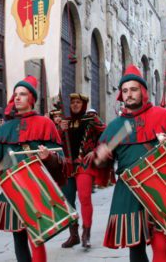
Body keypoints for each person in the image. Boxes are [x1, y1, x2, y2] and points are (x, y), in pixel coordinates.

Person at [95, 65, 166, 262]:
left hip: (160, 184)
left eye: (133, 89)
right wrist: (101, 158)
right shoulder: (116, 127)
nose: (129, 94)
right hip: (128, 189)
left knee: (161, 246)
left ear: (142, 92)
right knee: (135, 248)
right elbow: (101, 168)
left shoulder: (163, 116)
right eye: (125, 91)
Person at [0, 76, 64, 262]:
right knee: (18, 239)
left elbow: (60, 159)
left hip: (36, 187)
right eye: (16, 94)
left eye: (23, 94)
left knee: (37, 238)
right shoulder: (6, 128)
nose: (17, 98)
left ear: (31, 99)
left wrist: (48, 157)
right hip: (12, 189)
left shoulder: (46, 124)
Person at [59, 93, 106, 249]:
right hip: (68, 166)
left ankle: (86, 234)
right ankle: (74, 235)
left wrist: (96, 150)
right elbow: (56, 141)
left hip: (84, 164)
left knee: (85, 197)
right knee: (68, 201)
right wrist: (59, 129)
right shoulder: (65, 121)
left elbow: (106, 134)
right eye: (72, 102)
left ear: (84, 104)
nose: (75, 105)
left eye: (78, 102)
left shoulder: (91, 119)